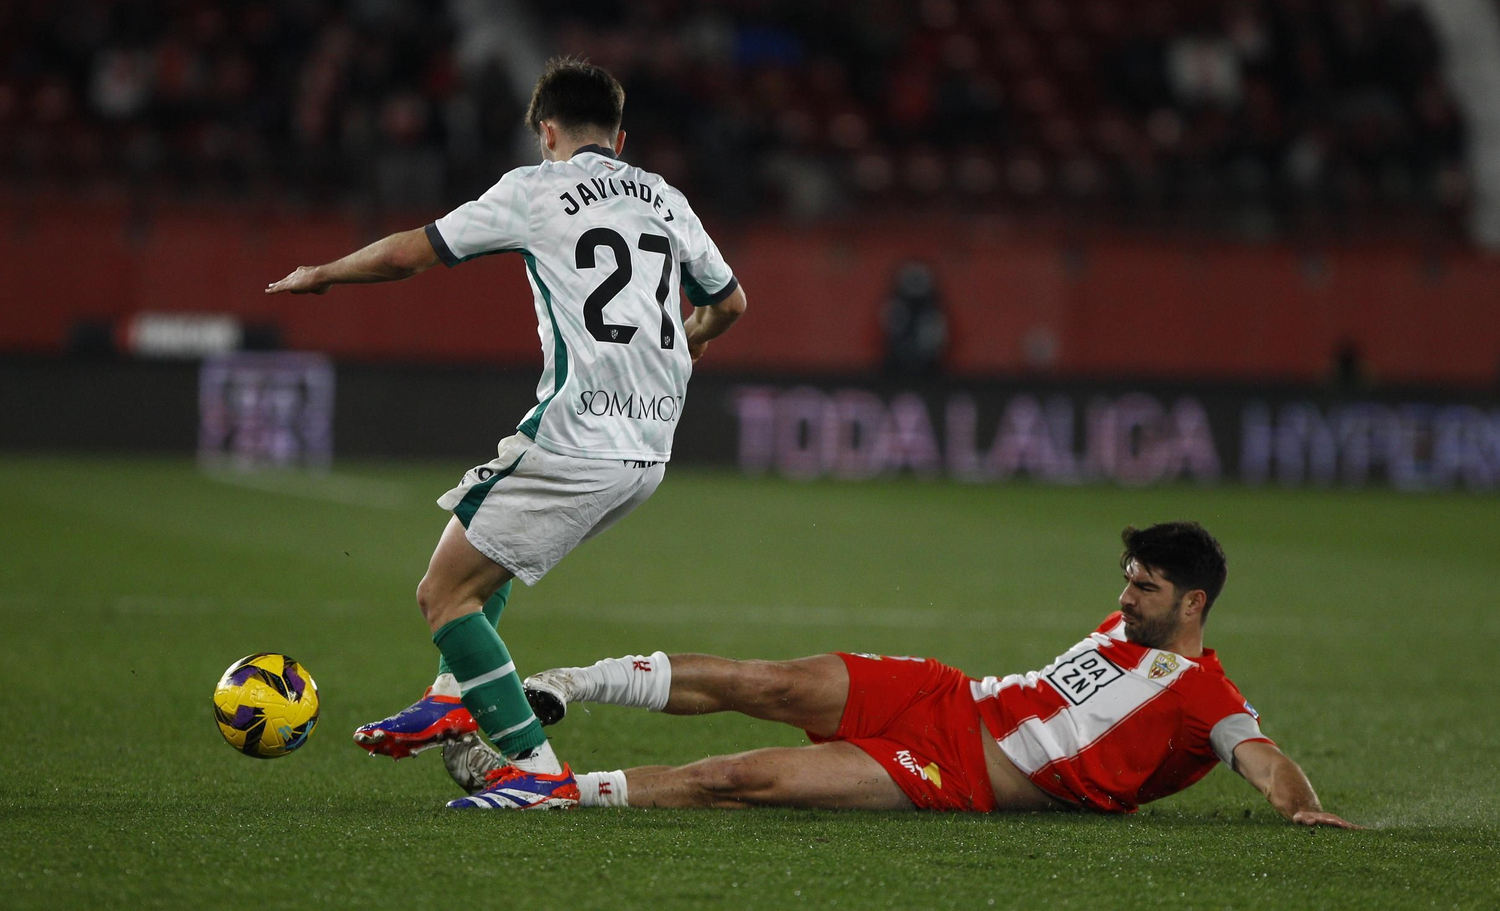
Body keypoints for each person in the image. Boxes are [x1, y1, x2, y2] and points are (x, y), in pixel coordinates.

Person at [265, 57, 747, 809]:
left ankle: (534, 767)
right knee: (482, 558)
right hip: (649, 448)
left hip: (576, 436)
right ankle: (452, 694)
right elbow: (731, 301)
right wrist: (691, 341)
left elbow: (406, 254)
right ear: (619, 137)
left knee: (443, 594)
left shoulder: (535, 188)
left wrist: (323, 273)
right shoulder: (664, 195)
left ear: (546, 132)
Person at [451, 522, 1357, 825]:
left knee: (741, 779)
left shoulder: (1208, 696)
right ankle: (568, 683)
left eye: (1146, 587)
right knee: (762, 680)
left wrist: (1302, 803)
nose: (1125, 597)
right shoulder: (1123, 631)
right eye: (1124, 579)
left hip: (958, 775)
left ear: (1194, 604)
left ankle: (548, 794)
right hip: (942, 694)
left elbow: (1263, 758)